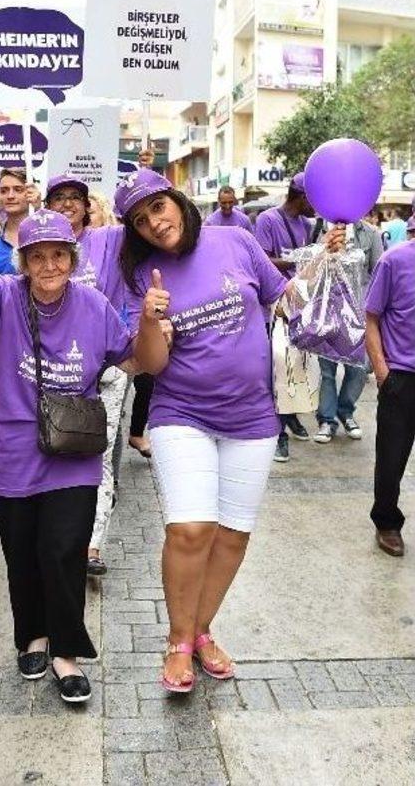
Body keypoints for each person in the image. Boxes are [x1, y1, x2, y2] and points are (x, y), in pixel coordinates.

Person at [116, 168, 344, 693]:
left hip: (253, 417)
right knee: (190, 529)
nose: (155, 222)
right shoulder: (142, 274)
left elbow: (286, 298)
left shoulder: (236, 240)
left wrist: (324, 261)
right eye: (142, 219)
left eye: (159, 208)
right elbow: (149, 365)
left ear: (177, 201)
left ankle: (201, 631)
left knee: (233, 536)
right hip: (182, 414)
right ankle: (176, 641)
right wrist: (150, 321)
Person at [0, 207, 163, 705]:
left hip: (71, 451)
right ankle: (32, 637)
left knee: (62, 552)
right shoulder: (2, 295)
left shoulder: (93, 305)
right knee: (22, 554)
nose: (48, 266)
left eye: (58, 255)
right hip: (9, 450)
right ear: (22, 261)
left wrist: (151, 323)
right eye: (36, 256)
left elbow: (137, 362)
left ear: (72, 258)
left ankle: (66, 651)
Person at [45, 174, 128, 576]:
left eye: (74, 198)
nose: (66, 204)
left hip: (105, 370)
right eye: (58, 198)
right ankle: (56, 537)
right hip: (49, 372)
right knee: (51, 449)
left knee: (98, 454)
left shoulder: (106, 240)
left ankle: (92, 545)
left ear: (86, 203)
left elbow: (134, 223)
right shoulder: (40, 249)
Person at [255, 172, 314, 461]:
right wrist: (298, 261)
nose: (318, 207)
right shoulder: (268, 220)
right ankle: (277, 433)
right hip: (272, 308)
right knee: (276, 370)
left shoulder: (306, 224)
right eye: (314, 200)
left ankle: (289, 418)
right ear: (302, 197)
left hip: (297, 307)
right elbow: (263, 261)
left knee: (294, 368)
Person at [365, 237, 415, 558]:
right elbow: (371, 317)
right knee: (391, 456)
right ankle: (386, 522)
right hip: (402, 377)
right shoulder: (393, 261)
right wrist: (383, 372)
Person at [313, 219, 384, 444]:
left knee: (360, 368)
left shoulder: (370, 233)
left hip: (359, 313)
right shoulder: (323, 229)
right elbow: (314, 268)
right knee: (327, 370)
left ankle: (345, 411)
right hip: (329, 310)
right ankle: (327, 419)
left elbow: (378, 271)